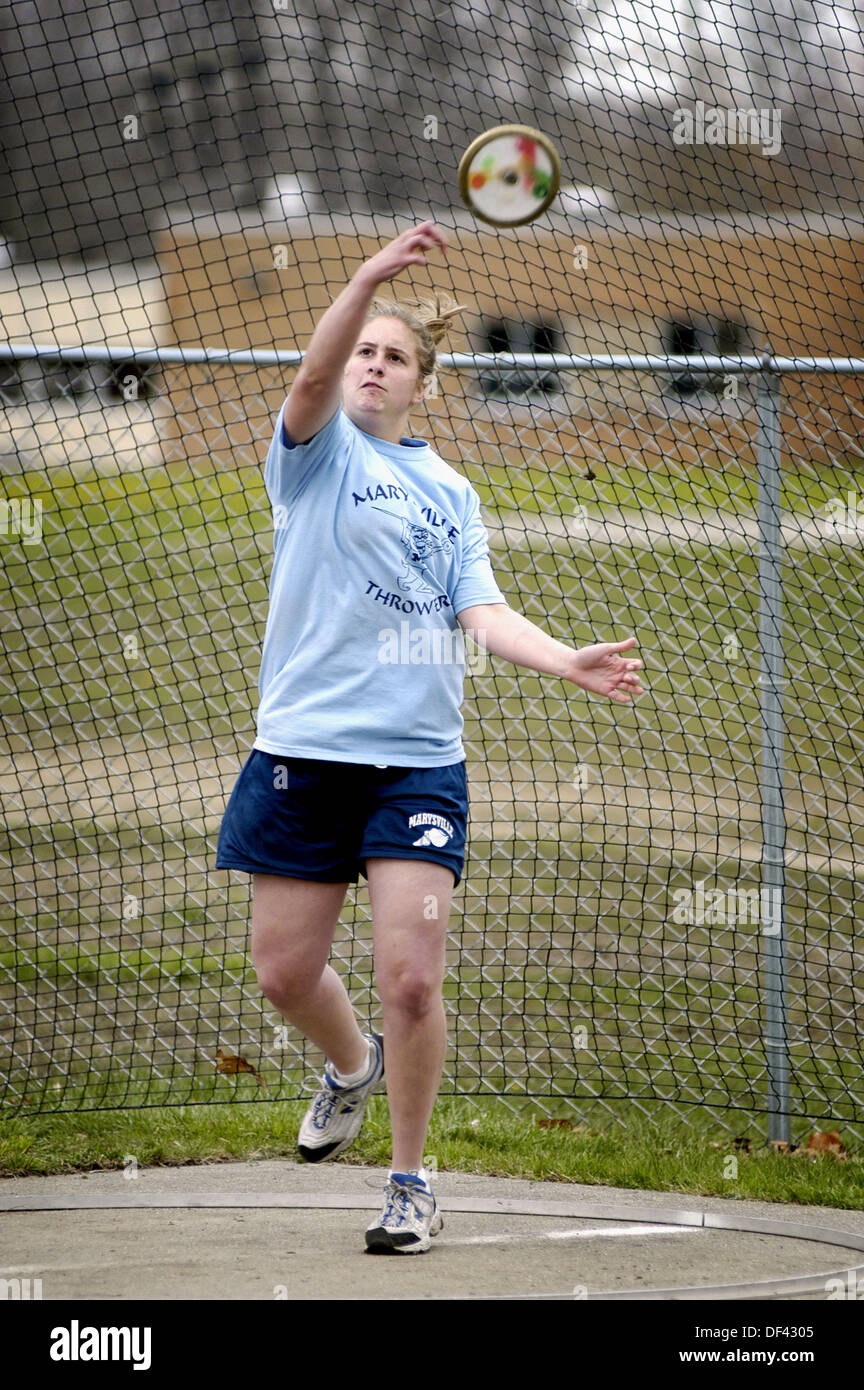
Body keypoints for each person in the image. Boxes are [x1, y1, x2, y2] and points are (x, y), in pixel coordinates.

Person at [215, 220, 644, 1254]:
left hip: (416, 763)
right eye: (365, 346)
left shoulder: (452, 494)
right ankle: (350, 1065)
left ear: (423, 383)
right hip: (302, 752)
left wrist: (564, 661)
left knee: (412, 976)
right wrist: (365, 280)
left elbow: (481, 613)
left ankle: (409, 1180)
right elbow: (313, 369)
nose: (371, 361)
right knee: (282, 973)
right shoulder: (314, 454)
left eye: (394, 354)